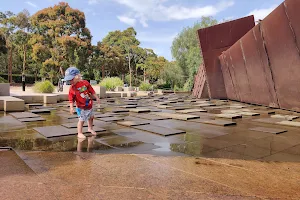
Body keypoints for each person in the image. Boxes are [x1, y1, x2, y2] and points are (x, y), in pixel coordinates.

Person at [64, 66, 100, 139]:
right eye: (69, 80)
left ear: (77, 76)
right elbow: (71, 99)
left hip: (89, 105)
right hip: (81, 107)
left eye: (71, 79)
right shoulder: (72, 88)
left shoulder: (85, 83)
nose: (70, 81)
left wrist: (96, 97)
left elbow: (91, 90)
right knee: (81, 120)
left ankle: (90, 128)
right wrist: (71, 107)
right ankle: (79, 133)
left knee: (91, 117)